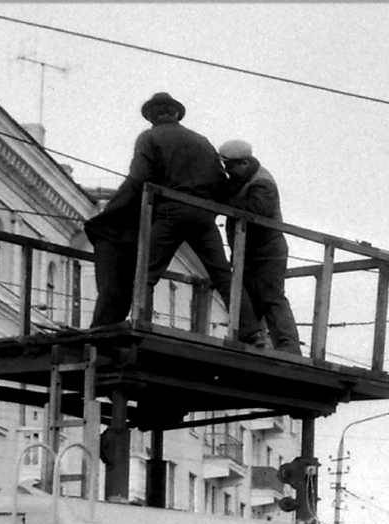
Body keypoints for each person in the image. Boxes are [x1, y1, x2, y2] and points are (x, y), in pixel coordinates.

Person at [89, 92, 263, 344]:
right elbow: (220, 183)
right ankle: (252, 332)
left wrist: (113, 210)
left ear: (151, 116)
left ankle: (143, 325)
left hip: (170, 212)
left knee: (144, 272)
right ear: (176, 113)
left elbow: (139, 178)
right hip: (203, 216)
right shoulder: (202, 141)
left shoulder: (149, 137)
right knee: (224, 275)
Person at [217, 139, 302, 355]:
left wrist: (222, 203)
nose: (228, 171)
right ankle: (252, 344)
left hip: (268, 251)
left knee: (271, 297)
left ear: (244, 163)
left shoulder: (262, 183)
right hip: (249, 252)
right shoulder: (241, 180)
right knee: (247, 298)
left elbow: (254, 211)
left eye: (230, 166)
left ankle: (289, 347)